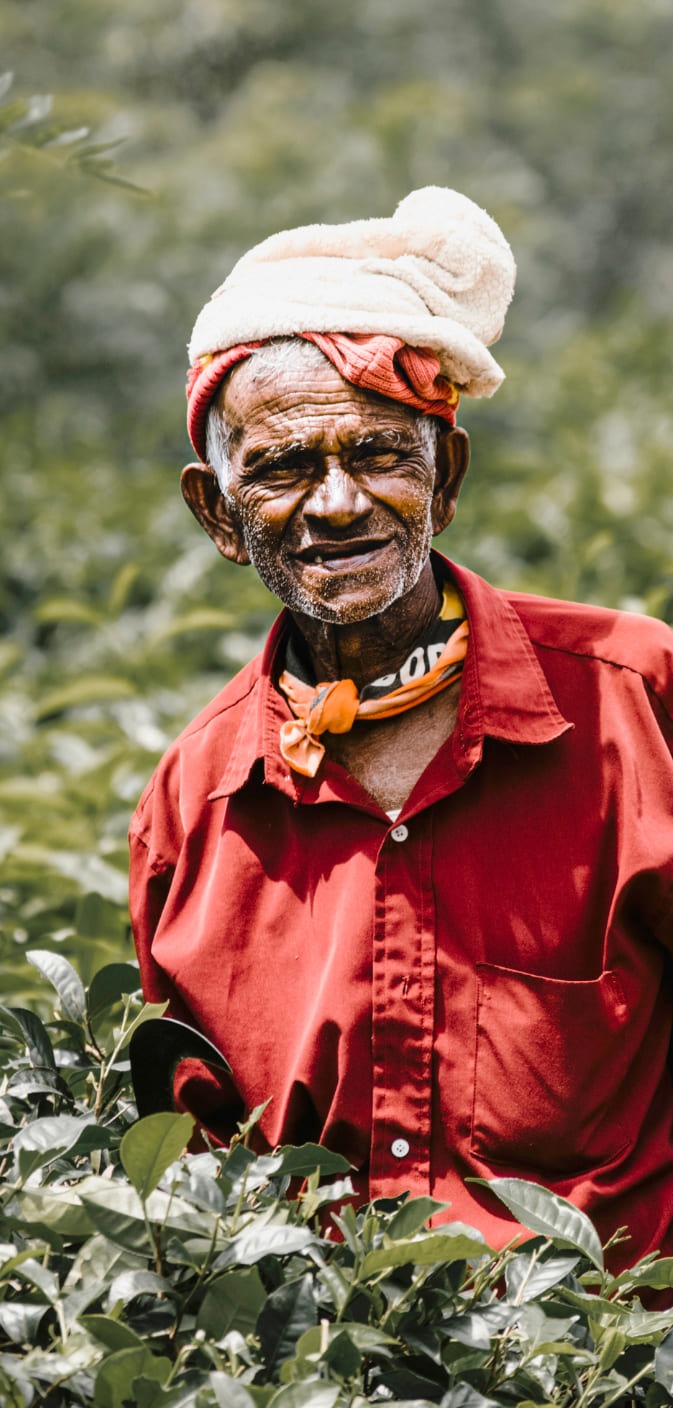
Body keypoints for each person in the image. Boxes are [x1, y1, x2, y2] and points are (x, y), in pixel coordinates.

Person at [129, 185, 673, 1266]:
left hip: (606, 1361)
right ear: (218, 516)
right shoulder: (196, 802)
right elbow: (190, 1165)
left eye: (379, 453)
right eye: (281, 468)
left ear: (446, 478)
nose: (335, 504)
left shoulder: (634, 700)